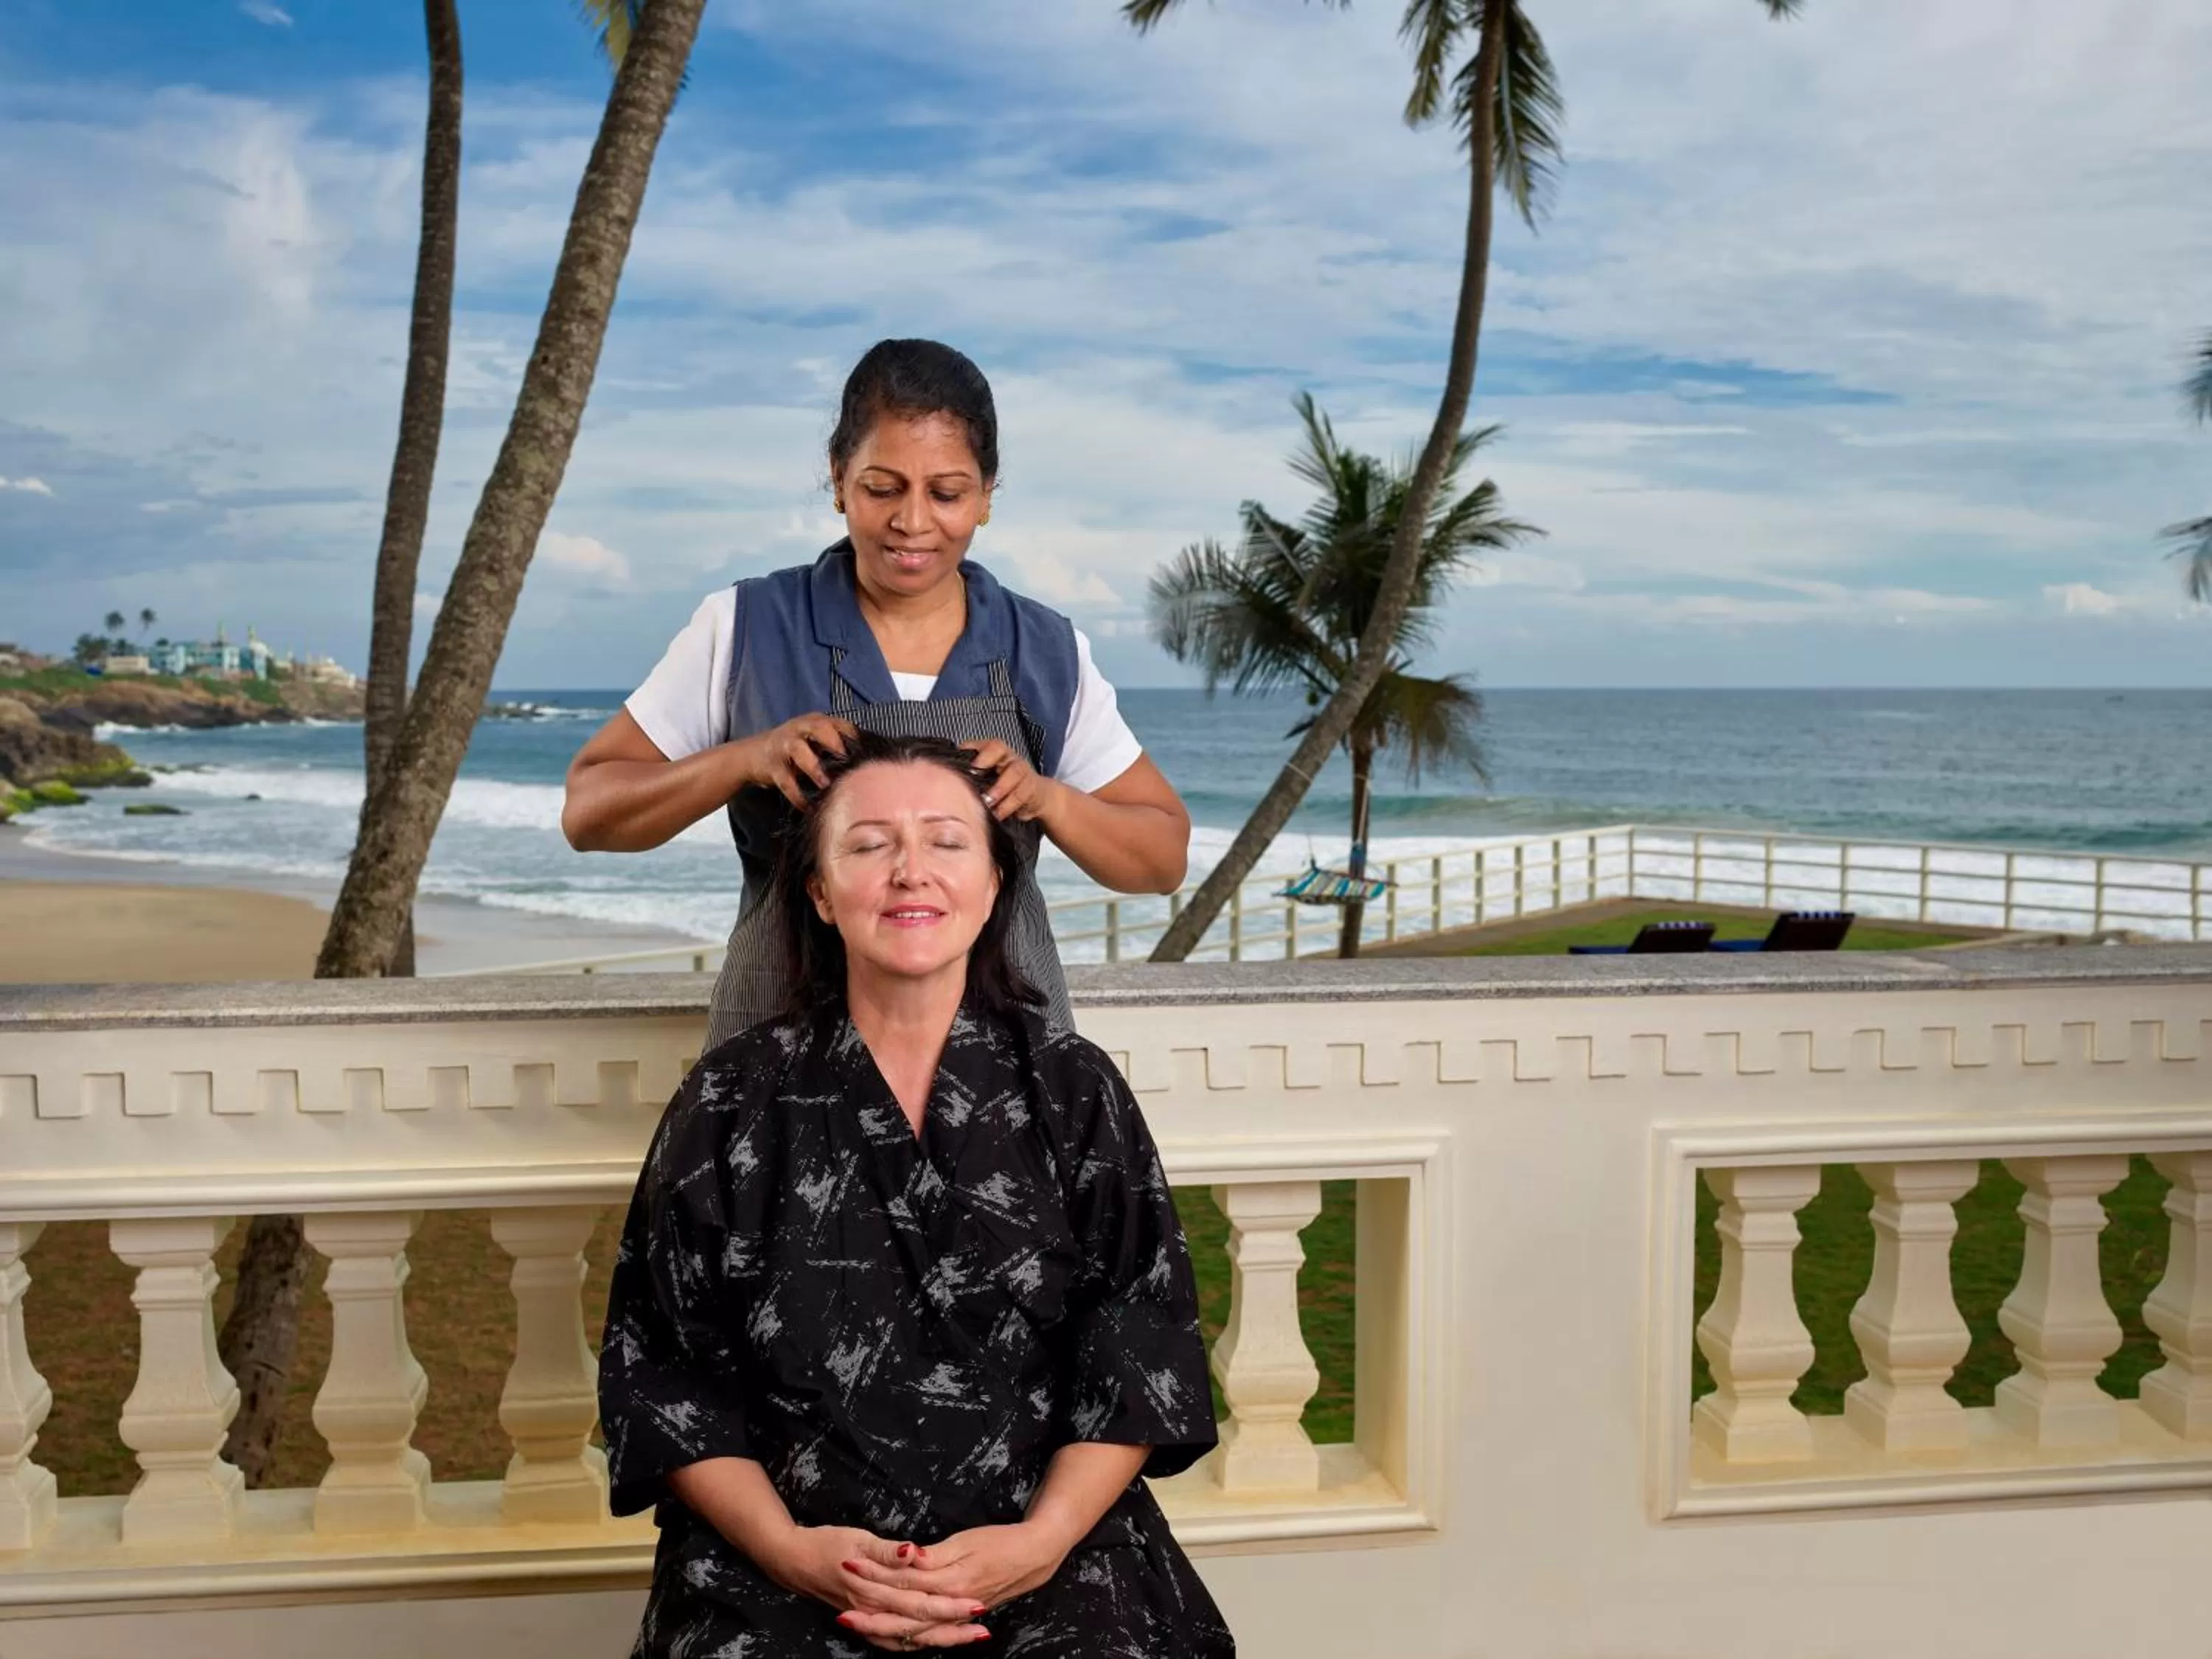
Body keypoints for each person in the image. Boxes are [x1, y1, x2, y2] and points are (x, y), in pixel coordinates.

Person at [598, 731, 1234, 1657]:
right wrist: (789, 1551)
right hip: (792, 1549)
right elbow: (664, 1367)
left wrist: (1038, 1543)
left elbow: (1140, 1348)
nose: (910, 873)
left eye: (946, 842)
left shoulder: (1072, 1089)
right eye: (868, 845)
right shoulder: (732, 1096)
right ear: (818, 891)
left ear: (992, 888)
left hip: (1042, 1544)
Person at [563, 338, 1191, 1048]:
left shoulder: (1044, 650)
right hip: (781, 1067)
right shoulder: (746, 627)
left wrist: (1048, 799)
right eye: (882, 488)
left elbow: (1162, 856)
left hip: (999, 1079)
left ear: (987, 496)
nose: (913, 522)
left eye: (947, 493)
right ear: (838, 480)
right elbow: (590, 812)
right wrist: (747, 759)